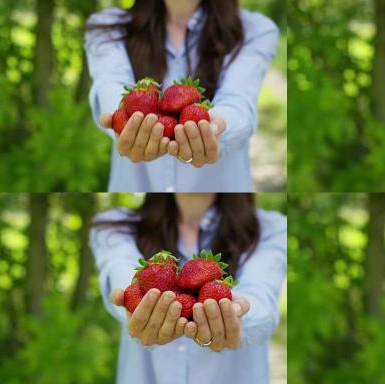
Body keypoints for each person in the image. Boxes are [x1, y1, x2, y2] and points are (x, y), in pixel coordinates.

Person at [90, 193, 287, 383]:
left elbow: (261, 295)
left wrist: (238, 316)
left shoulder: (273, 228)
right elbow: (120, 270)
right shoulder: (114, 225)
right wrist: (136, 303)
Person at [85, 0, 279, 192]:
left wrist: (214, 127)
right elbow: (110, 84)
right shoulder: (107, 28)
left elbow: (238, 99)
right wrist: (123, 120)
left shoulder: (255, 30)